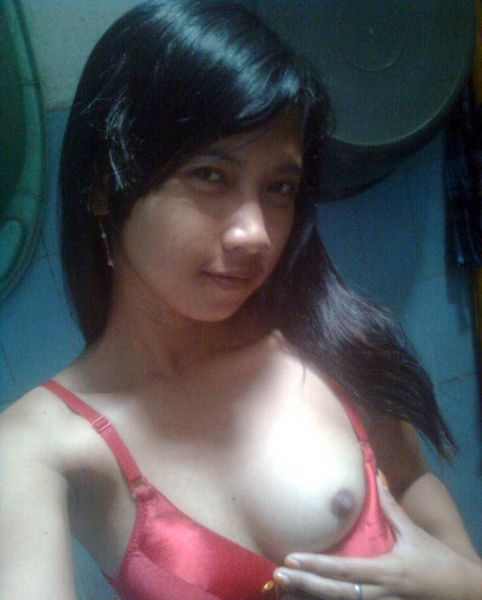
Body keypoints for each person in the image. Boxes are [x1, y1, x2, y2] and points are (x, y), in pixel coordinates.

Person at [0, 1, 480, 599]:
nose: (255, 233)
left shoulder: (324, 338)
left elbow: (411, 486)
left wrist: (454, 580)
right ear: (103, 184)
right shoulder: (36, 446)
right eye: (210, 175)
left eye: (279, 187)